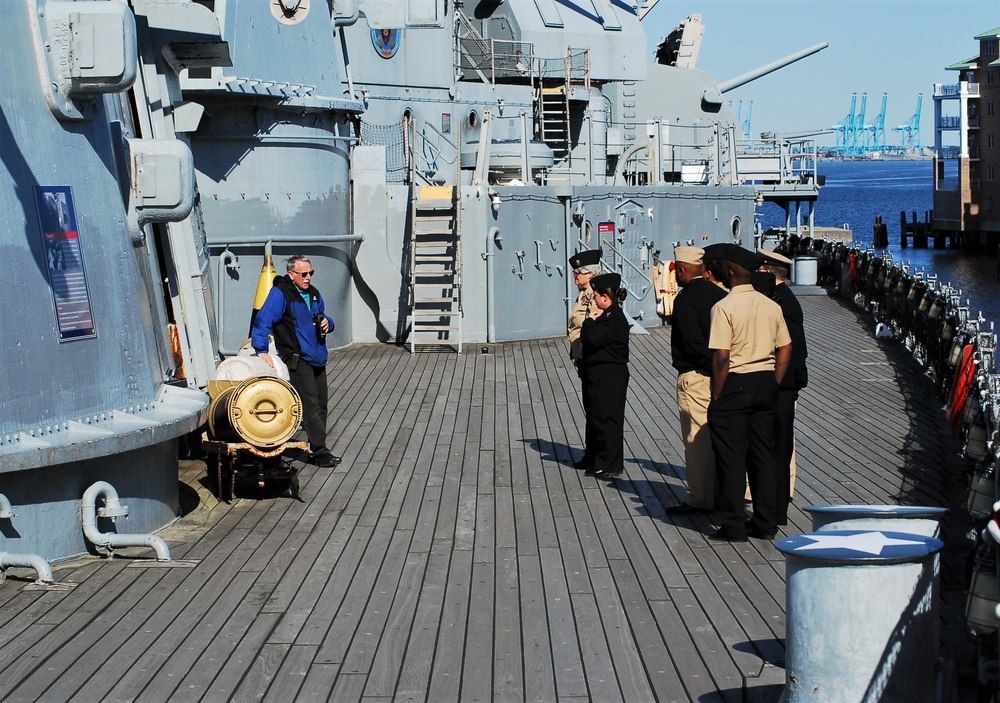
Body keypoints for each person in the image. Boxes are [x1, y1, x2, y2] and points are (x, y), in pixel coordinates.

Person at [707, 246, 791, 542]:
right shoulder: (771, 305)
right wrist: (774, 380)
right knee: (763, 455)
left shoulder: (724, 307)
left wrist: (717, 395)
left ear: (729, 273)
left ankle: (734, 525)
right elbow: (785, 348)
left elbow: (721, 356)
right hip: (765, 383)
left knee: (732, 458)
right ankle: (766, 523)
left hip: (735, 383)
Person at [251, 255, 341, 468]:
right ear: (292, 275)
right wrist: (261, 349)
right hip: (298, 358)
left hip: (317, 356)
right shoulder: (281, 294)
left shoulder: (314, 294)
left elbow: (322, 316)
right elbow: (263, 320)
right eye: (304, 274)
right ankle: (320, 451)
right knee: (310, 406)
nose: (308, 277)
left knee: (321, 404)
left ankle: (314, 445)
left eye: (311, 273)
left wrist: (330, 322)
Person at [666, 246, 727, 515]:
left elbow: (692, 345)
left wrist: (708, 368)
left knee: (697, 442)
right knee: (721, 438)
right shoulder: (720, 294)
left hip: (697, 377)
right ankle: (725, 493)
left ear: (681, 270)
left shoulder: (685, 299)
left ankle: (702, 498)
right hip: (724, 374)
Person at [758, 248, 808, 525]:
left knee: (776, 445)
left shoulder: (779, 303)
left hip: (782, 384)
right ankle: (776, 506)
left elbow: (788, 347)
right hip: (787, 383)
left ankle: (775, 510)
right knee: (779, 444)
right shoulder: (783, 299)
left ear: (767, 272)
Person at [580, 272, 631, 478]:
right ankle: (596, 457)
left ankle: (608, 463)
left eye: (596, 295)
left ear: (605, 297)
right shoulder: (608, 316)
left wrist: (589, 323)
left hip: (609, 376)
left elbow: (591, 339)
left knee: (607, 419)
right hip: (600, 374)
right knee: (596, 417)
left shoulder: (612, 319)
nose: (593, 299)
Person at [567, 249, 602, 469]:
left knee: (597, 409)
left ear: (590, 274)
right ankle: (591, 454)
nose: (575, 276)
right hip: (583, 358)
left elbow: (594, 326)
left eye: (578, 272)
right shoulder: (585, 293)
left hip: (591, 358)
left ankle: (599, 457)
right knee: (590, 409)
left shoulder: (595, 295)